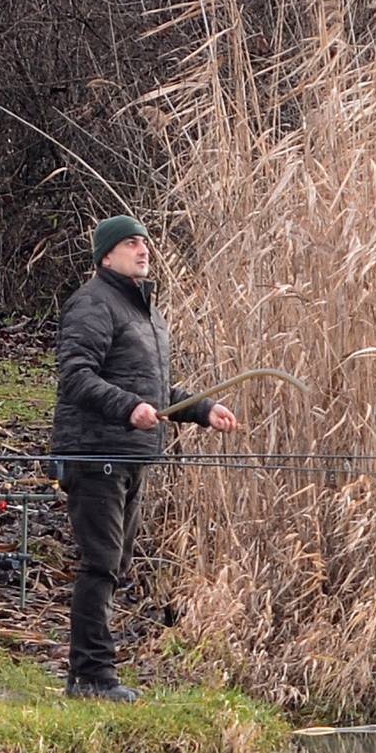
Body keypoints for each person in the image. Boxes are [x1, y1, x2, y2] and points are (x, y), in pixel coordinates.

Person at [51, 214, 238, 699]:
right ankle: (91, 678)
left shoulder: (146, 314)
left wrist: (202, 409)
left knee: (114, 563)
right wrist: (128, 408)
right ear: (105, 255)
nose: (143, 249)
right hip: (94, 454)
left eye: (145, 242)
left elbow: (153, 391)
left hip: (130, 456)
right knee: (100, 563)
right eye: (131, 243)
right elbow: (76, 377)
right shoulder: (92, 304)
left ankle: (89, 674)